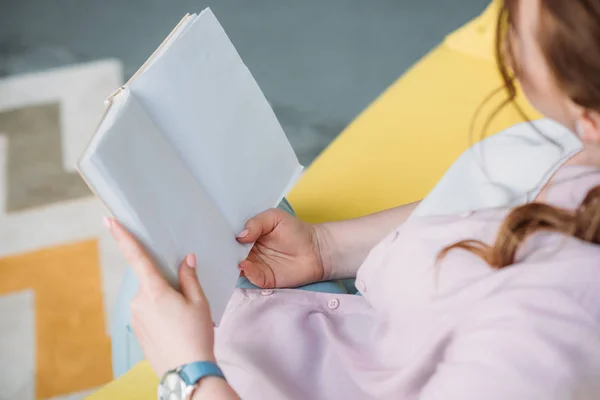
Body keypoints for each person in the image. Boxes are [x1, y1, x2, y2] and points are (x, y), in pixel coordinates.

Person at [106, 0, 600, 398]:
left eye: (512, 20)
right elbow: (498, 216)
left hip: (300, 371)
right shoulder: (575, 153)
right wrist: (326, 248)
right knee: (197, 243)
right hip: (369, 330)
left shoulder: (545, 335)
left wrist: (187, 375)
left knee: (146, 283)